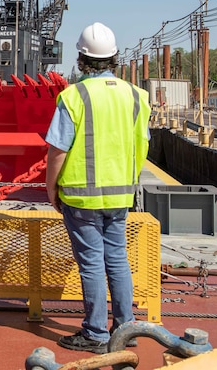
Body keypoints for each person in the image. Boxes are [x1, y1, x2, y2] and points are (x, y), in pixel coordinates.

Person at [44, 22, 151, 354]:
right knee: (117, 259)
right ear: (115, 59)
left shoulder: (73, 96)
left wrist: (51, 190)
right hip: (121, 194)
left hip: (80, 195)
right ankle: (125, 327)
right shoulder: (137, 96)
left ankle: (95, 333)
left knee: (91, 263)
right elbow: (143, 145)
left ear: (80, 60)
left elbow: (58, 151)